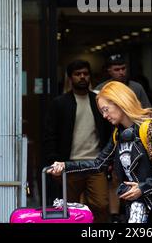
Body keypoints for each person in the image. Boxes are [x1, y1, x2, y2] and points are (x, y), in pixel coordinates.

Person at [48, 81, 152, 223]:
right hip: (137, 207)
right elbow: (98, 164)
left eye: (106, 109)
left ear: (120, 103)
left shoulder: (151, 127)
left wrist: (143, 187)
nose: (104, 116)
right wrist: (65, 166)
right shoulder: (118, 134)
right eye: (102, 112)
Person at [43, 59, 112, 223]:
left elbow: (109, 130)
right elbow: (50, 135)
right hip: (70, 165)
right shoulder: (60, 103)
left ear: (90, 76)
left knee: (101, 205)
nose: (82, 77)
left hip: (96, 164)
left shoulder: (98, 101)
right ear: (70, 77)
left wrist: (110, 159)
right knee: (69, 209)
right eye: (77, 74)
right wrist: (54, 161)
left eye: (85, 74)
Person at [95, 53, 152, 222]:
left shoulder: (136, 88)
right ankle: (115, 216)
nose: (121, 72)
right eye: (116, 69)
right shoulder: (100, 91)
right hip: (113, 140)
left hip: (137, 140)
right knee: (116, 179)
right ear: (108, 71)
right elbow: (98, 123)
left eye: (123, 68)